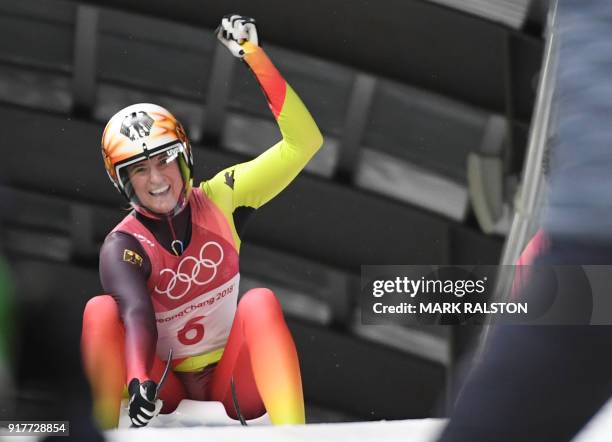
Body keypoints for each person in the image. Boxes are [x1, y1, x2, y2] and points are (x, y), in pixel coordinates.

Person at [81, 14, 323, 430]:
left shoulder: (223, 196)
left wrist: (253, 54)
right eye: (139, 171)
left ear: (185, 157)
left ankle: (294, 437)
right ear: (122, 183)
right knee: (101, 310)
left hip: (232, 384)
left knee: (260, 301)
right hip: (162, 387)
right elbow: (136, 312)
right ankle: (98, 431)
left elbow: (305, 143)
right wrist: (139, 380)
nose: (156, 180)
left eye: (164, 160)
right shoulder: (122, 245)